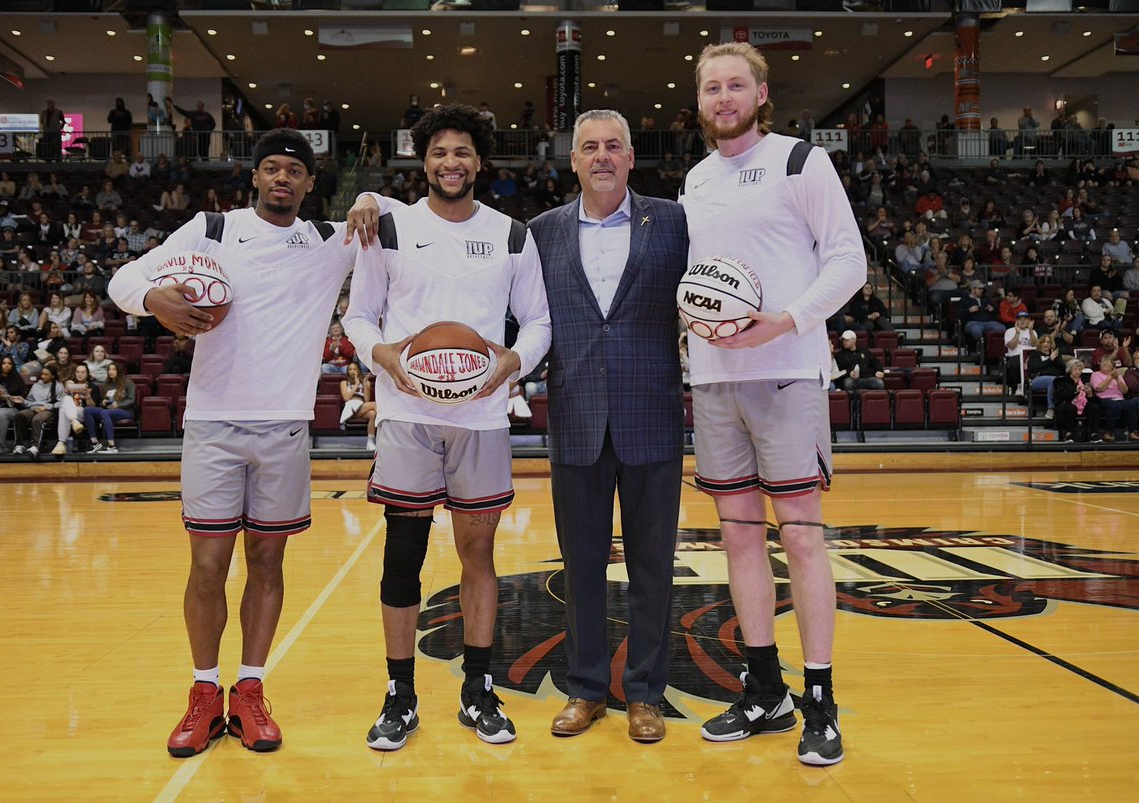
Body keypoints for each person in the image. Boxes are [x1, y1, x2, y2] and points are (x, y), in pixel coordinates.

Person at [108, 128, 361, 758]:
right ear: (255, 177)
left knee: (268, 564)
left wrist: (376, 200)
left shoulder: (330, 242)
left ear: (309, 183)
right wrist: (155, 301)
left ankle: (249, 691)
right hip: (214, 425)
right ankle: (202, 692)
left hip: (285, 427)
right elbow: (123, 281)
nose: (282, 178)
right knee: (207, 565)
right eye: (271, 168)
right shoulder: (210, 230)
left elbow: (401, 222)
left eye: (293, 171)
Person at [342, 104, 551, 751]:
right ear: (423, 160)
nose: (451, 163)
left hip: (481, 416)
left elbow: (539, 321)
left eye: (462, 152)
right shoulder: (391, 228)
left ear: (479, 162)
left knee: (478, 554)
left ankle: (477, 688)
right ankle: (400, 693)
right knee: (402, 555)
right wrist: (381, 356)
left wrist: (515, 360)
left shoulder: (513, 234)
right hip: (407, 415)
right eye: (439, 153)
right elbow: (359, 316)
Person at [680, 42, 865, 766]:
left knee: (802, 535)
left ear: (761, 94)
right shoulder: (695, 178)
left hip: (787, 372)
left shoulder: (800, 162)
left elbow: (848, 260)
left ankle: (819, 696)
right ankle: (766, 688)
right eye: (710, 88)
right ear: (699, 104)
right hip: (716, 379)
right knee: (738, 536)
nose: (723, 97)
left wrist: (785, 320)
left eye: (735, 85)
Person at [522, 109, 689, 743]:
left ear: (630, 157)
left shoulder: (672, 221)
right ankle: (587, 689)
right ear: (572, 161)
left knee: (653, 567)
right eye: (588, 147)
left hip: (652, 416)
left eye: (612, 146)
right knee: (581, 567)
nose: (601, 156)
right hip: (576, 418)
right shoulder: (541, 232)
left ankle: (646, 694)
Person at [12, 364, 64, 459]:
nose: (43, 376)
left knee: (37, 419)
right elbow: (30, 401)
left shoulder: (58, 386)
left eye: (46, 374)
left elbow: (61, 402)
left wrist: (47, 407)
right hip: (34, 408)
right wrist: (23, 401)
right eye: (42, 374)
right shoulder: (36, 385)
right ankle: (19, 445)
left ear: (52, 376)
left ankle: (34, 447)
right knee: (19, 415)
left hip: (48, 410)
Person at [52, 362, 99, 455]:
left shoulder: (92, 386)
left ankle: (61, 442)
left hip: (85, 413)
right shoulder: (71, 385)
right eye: (78, 372)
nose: (80, 374)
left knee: (64, 409)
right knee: (64, 404)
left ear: (87, 374)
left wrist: (87, 395)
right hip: (72, 413)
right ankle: (74, 422)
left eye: (83, 372)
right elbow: (62, 403)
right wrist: (66, 391)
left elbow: (93, 407)